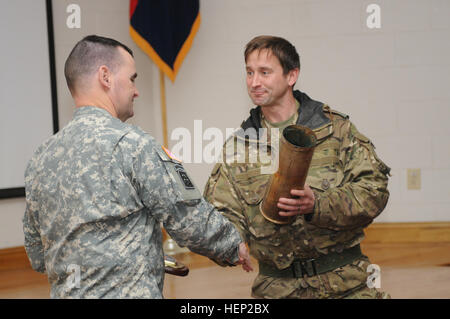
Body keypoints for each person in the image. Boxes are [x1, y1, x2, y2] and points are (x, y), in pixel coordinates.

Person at [22, 35, 253, 299]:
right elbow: (188, 219)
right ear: (105, 77)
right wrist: (234, 246)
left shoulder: (40, 159)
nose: (136, 90)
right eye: (132, 78)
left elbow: (37, 254)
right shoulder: (134, 146)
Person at [204, 35, 391, 299]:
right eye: (249, 72)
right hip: (277, 291)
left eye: (264, 72)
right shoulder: (239, 148)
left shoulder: (335, 131)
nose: (254, 82)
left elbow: (374, 192)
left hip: (346, 286)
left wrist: (318, 205)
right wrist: (230, 244)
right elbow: (222, 214)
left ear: (291, 76)